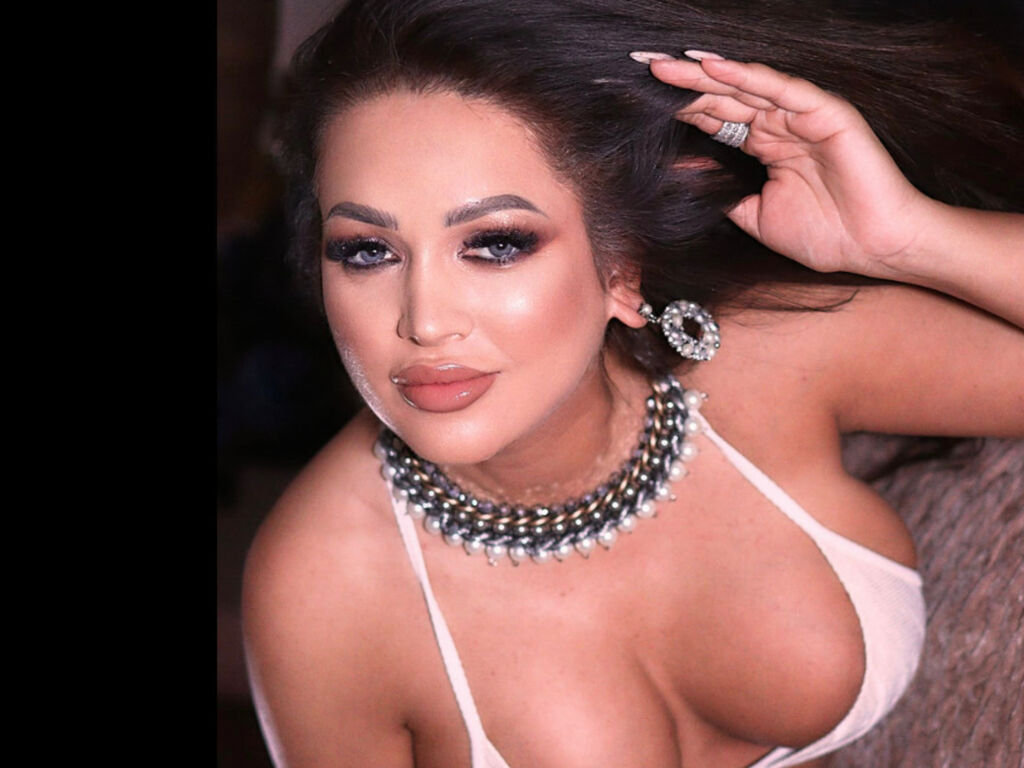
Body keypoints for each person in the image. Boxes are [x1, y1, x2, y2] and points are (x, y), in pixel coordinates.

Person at [240, 1, 1024, 765]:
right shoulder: (323, 587)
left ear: (619, 266)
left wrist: (904, 237)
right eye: (368, 252)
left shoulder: (765, 357)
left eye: (496, 244)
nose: (425, 321)